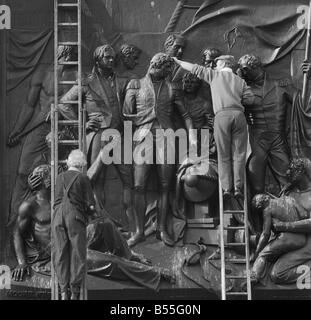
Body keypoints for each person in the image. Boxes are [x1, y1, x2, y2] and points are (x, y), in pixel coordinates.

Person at [12, 164, 175, 293]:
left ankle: (130, 256)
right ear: (46, 183)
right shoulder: (30, 206)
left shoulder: (60, 197)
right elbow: (17, 233)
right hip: (59, 253)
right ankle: (154, 274)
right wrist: (22, 262)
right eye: (54, 178)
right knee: (109, 261)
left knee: (103, 224)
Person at [58, 45, 134, 233]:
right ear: (97, 60)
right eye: (107, 57)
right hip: (100, 136)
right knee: (96, 181)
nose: (111, 60)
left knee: (129, 179)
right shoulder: (86, 82)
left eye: (113, 57)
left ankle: (129, 225)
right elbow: (63, 105)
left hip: (120, 134)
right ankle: (99, 222)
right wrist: (81, 125)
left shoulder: (121, 81)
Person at [123, 53, 196, 247]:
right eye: (167, 69)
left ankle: (162, 229)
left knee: (166, 186)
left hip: (167, 138)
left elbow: (186, 115)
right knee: (139, 185)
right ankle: (139, 232)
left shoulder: (172, 87)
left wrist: (193, 138)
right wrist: (146, 115)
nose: (169, 73)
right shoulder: (135, 85)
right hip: (142, 138)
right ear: (157, 66)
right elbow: (126, 114)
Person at [7, 46, 78, 223]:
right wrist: (18, 129)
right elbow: (29, 106)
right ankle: (15, 215)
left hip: (65, 128)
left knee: (62, 172)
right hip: (40, 127)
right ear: (62, 54)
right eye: (68, 53)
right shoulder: (43, 74)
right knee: (24, 171)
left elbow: (83, 103)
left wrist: (61, 110)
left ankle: (58, 216)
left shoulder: (77, 75)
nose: (70, 57)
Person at [174, 55, 254, 201]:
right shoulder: (240, 81)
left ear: (223, 63)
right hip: (238, 115)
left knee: (223, 154)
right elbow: (250, 99)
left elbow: (194, 68)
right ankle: (238, 187)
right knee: (239, 154)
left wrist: (179, 62)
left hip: (222, 116)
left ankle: (226, 188)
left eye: (217, 63)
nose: (215, 66)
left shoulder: (214, 76)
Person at [237, 54, 296, 195]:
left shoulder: (281, 85)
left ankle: (287, 213)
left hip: (278, 139)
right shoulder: (242, 89)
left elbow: (302, 102)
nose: (242, 73)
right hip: (256, 140)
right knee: (257, 187)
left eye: (244, 69)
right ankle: (259, 216)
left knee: (288, 181)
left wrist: (310, 77)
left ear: (255, 67)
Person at [52, 150, 96, 300]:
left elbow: (56, 201)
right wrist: (93, 214)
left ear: (69, 162)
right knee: (78, 252)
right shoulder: (83, 178)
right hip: (75, 217)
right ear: (82, 164)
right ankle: (75, 292)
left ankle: (63, 291)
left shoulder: (59, 177)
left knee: (60, 252)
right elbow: (90, 205)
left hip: (57, 216)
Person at [250, 193, 309, 283]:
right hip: (301, 238)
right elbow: (304, 215)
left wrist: (258, 251)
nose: (258, 207)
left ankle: (254, 276)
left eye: (258, 205)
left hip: (286, 239)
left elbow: (265, 234)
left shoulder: (267, 210)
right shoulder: (289, 199)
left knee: (263, 255)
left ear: (264, 200)